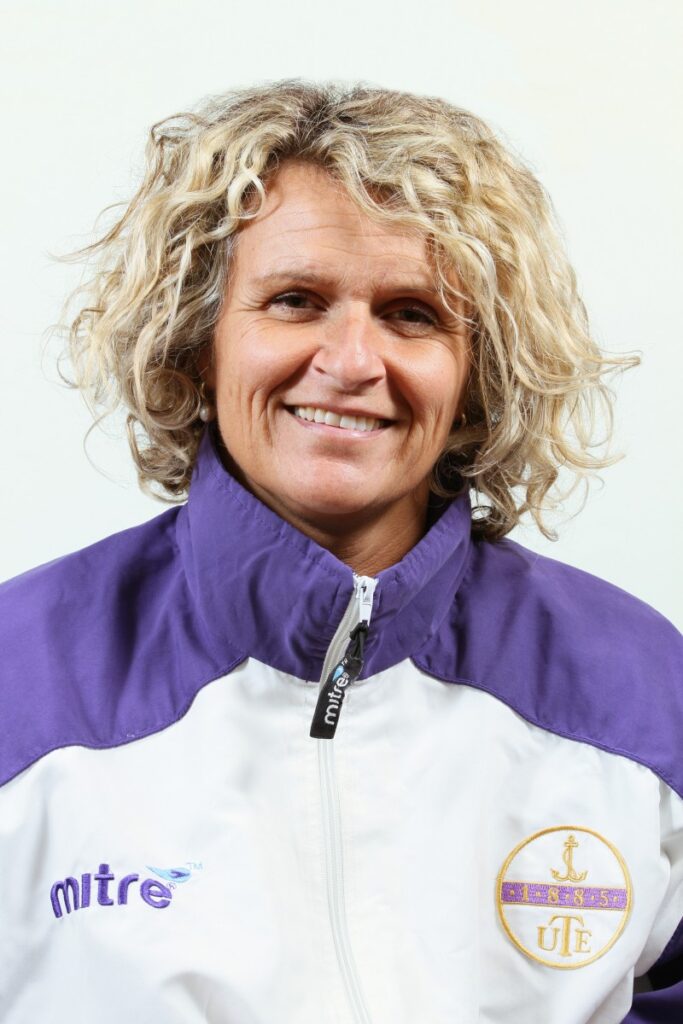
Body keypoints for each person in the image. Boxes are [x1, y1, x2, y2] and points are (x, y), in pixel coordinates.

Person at [0, 78, 680, 1024]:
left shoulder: (639, 687)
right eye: (294, 301)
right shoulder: (20, 678)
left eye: (412, 314)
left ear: (478, 372)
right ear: (196, 343)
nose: (352, 361)